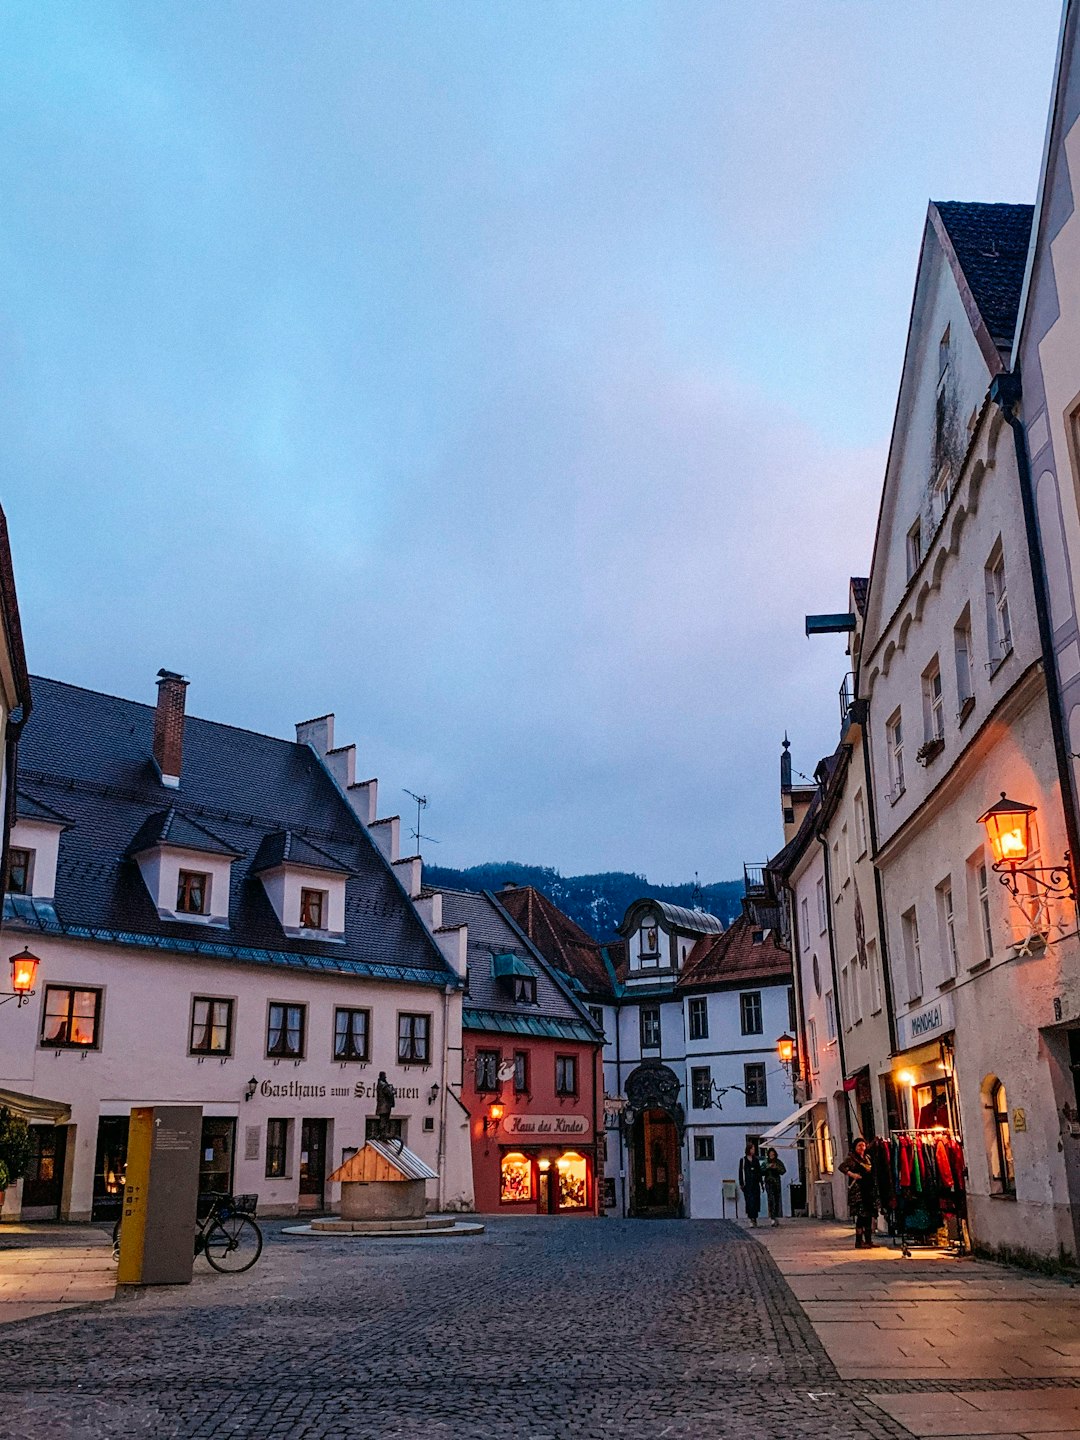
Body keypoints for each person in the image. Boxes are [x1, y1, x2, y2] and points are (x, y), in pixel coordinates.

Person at [838, 1136, 878, 1247]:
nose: (862, 1147)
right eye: (859, 1145)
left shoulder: (867, 1157)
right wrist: (852, 1174)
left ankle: (868, 1240)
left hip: (868, 1190)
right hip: (859, 1191)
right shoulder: (852, 1159)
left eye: (863, 1145)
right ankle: (859, 1241)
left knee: (869, 1215)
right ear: (855, 1147)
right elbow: (842, 1167)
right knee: (861, 1216)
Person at [739, 1140, 763, 1227]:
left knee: (756, 1201)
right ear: (749, 1149)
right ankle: (750, 1218)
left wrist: (761, 1182)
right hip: (747, 1184)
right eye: (752, 1149)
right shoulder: (743, 1160)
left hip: (755, 1184)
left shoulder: (756, 1160)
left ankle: (755, 1218)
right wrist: (741, 1183)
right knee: (749, 1201)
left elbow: (759, 1172)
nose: (754, 1150)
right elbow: (741, 1172)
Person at [763, 1147, 786, 1226]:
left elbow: (783, 1171)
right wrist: (767, 1167)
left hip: (776, 1183)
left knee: (776, 1200)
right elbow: (761, 1171)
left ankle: (775, 1216)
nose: (771, 1156)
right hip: (769, 1183)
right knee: (771, 1199)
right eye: (770, 1154)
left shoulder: (778, 1162)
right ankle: (772, 1217)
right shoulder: (766, 1162)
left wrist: (776, 1168)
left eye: (773, 1154)